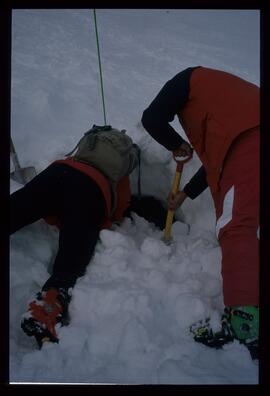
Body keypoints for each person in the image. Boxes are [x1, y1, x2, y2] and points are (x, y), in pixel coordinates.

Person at [141, 66, 260, 359]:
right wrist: (185, 195)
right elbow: (218, 160)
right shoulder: (226, 105)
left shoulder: (187, 80)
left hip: (251, 142)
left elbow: (151, 118)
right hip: (248, 141)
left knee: (236, 227)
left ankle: (245, 324)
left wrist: (177, 145)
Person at [10, 150, 133, 345]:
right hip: (91, 188)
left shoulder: (88, 146)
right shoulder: (123, 164)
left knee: (15, 208)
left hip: (58, 172)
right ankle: (47, 308)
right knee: (70, 261)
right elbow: (118, 208)